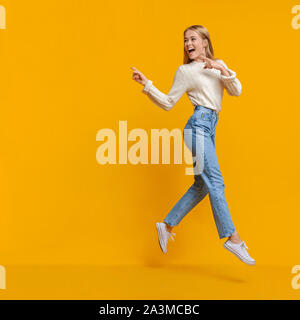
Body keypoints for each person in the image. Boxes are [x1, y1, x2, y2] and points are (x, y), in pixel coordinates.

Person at [131, 25, 255, 266]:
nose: (188, 43)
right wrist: (147, 85)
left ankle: (166, 225)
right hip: (197, 127)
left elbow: (237, 91)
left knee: (202, 185)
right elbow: (168, 102)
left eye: (193, 38)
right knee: (216, 181)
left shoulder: (218, 65)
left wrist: (221, 67)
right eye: (185, 40)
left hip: (210, 127)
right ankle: (233, 238)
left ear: (205, 42)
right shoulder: (185, 71)